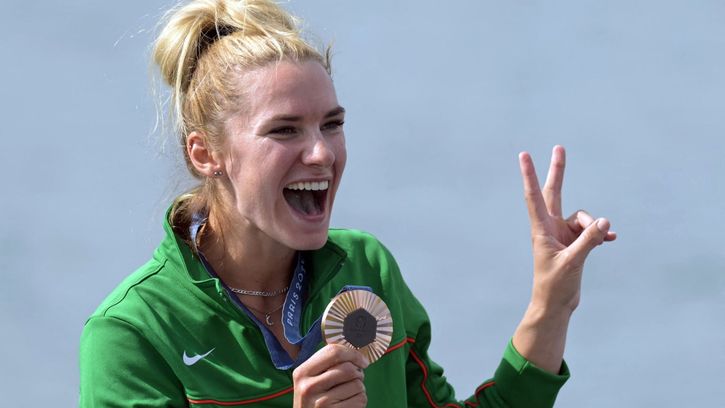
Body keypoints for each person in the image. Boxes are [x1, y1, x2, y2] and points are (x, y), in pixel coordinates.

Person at [79, 0, 616, 407]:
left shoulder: (366, 267)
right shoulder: (134, 334)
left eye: (332, 124)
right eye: (285, 129)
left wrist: (552, 304)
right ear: (205, 154)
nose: (321, 152)